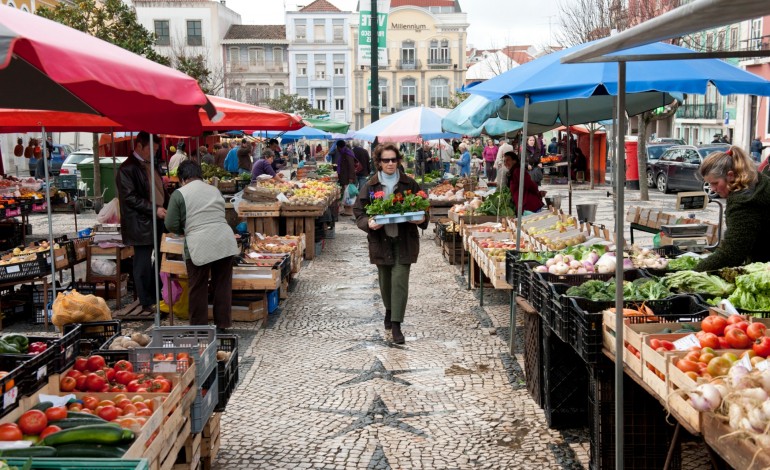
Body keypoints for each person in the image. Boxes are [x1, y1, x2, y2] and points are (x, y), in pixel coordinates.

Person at [353, 143, 429, 344]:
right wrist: (368, 223)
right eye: (386, 160)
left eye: (393, 159)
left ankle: (396, 324)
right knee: (385, 282)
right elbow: (359, 212)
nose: (390, 163)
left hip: (405, 241)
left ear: (398, 161)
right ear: (379, 162)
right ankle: (389, 310)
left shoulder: (409, 183)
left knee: (400, 281)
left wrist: (421, 219)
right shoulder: (370, 186)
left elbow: (424, 209)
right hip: (381, 241)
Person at [165, 161, 239, 333]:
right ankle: (223, 324)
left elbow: (171, 224)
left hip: (199, 242)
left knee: (198, 286)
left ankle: (199, 328)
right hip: (224, 239)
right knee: (222, 285)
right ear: (200, 175)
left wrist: (184, 228)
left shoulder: (179, 194)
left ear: (182, 178)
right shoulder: (214, 190)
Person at [695, 146, 770, 271]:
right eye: (709, 184)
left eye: (715, 183)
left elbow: (732, 253)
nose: (712, 189)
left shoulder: (744, 202)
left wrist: (693, 272)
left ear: (730, 175)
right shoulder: (757, 180)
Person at [116, 131, 166, 313]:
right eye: (151, 150)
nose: (153, 153)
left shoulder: (151, 163)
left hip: (158, 217)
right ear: (139, 146)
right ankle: (146, 301)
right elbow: (130, 198)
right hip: (141, 222)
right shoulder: (126, 168)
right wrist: (155, 209)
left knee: (160, 259)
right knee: (143, 262)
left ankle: (157, 295)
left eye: (155, 150)